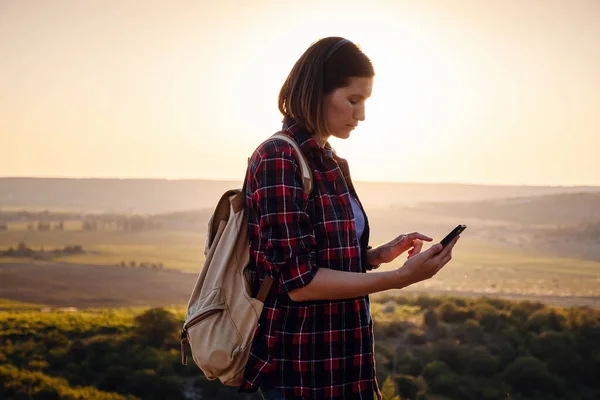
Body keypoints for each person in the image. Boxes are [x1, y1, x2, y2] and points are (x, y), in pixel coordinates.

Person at [240, 37, 460, 400]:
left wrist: (375, 256)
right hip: (302, 369)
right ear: (316, 92)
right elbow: (301, 282)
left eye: (365, 102)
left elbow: (324, 258)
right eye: (353, 101)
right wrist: (400, 278)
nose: (361, 115)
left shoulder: (331, 161)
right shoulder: (278, 157)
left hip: (347, 363)